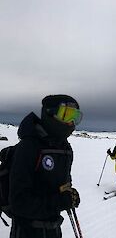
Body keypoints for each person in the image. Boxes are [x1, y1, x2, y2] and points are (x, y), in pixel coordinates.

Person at [9, 95, 82, 238]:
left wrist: (69, 195)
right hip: (27, 231)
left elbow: (62, 185)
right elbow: (18, 203)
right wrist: (59, 202)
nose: (71, 122)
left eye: (75, 117)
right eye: (66, 115)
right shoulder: (28, 147)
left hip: (53, 229)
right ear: (50, 113)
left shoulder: (65, 149)